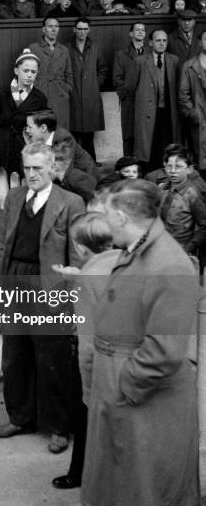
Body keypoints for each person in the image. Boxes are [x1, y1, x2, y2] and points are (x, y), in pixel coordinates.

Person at [81, 179, 199, 506]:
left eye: (106, 216)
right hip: (120, 388)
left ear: (122, 218)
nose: (102, 225)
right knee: (118, 484)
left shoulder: (170, 264)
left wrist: (125, 385)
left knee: (144, 489)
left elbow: (165, 351)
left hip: (143, 400)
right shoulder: (138, 250)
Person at [0, 141, 85, 454]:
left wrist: (71, 302)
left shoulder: (71, 203)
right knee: (15, 356)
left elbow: (77, 258)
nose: (31, 174)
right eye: (27, 168)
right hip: (15, 283)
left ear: (52, 169)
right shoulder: (14, 197)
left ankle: (59, 426)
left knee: (53, 358)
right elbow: (2, 244)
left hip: (49, 290)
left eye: (38, 169)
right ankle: (20, 417)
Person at [50, 211, 121, 490]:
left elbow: (89, 341)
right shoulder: (125, 262)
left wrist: (88, 388)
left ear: (79, 247)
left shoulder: (87, 279)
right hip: (128, 363)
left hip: (98, 364)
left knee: (84, 420)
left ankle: (80, 474)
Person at [0, 48, 49, 175]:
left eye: (33, 72)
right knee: (4, 181)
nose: (29, 75)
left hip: (26, 147)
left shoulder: (40, 98)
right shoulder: (2, 94)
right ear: (16, 71)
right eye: (25, 71)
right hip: (3, 146)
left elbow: (43, 129)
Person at [127, 29, 182, 169]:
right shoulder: (140, 61)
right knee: (149, 145)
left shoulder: (174, 60)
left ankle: (167, 172)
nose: (162, 43)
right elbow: (131, 86)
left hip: (169, 111)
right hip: (148, 112)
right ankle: (149, 173)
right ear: (150, 43)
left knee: (168, 143)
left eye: (164, 40)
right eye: (158, 40)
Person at [68, 18, 107, 162]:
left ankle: (91, 163)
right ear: (74, 29)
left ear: (89, 30)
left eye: (85, 29)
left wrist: (95, 84)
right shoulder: (66, 47)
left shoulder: (95, 47)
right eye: (79, 29)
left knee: (89, 135)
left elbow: (103, 69)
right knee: (73, 132)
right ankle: (75, 163)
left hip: (91, 96)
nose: (82, 32)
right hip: (73, 95)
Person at [158, 146, 206, 255]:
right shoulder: (161, 189)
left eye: (178, 166)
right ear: (164, 166)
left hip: (180, 252)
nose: (173, 171)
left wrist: (188, 247)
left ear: (189, 169)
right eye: (169, 166)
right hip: (160, 249)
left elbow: (204, 226)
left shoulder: (192, 194)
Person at [28, 16, 73, 130]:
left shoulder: (63, 50)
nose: (54, 29)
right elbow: (26, 74)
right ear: (44, 29)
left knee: (60, 135)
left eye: (56, 26)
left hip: (60, 97)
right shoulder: (33, 48)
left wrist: (66, 90)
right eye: (50, 26)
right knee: (42, 134)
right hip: (41, 97)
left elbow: (69, 75)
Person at [25, 109, 97, 177]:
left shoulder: (64, 138)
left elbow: (60, 171)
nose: (27, 130)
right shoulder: (39, 138)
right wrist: (29, 146)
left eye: (30, 127)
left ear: (43, 128)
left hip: (83, 178)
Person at [112, 23, 147, 155]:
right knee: (128, 134)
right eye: (137, 30)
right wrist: (125, 94)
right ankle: (129, 165)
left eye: (142, 30)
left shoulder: (151, 52)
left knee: (145, 133)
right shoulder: (121, 55)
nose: (140, 32)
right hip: (129, 100)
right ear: (131, 33)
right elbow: (117, 78)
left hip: (147, 100)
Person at [179, 29, 206, 174]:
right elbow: (183, 94)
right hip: (199, 118)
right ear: (200, 42)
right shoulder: (189, 66)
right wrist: (192, 112)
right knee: (199, 155)